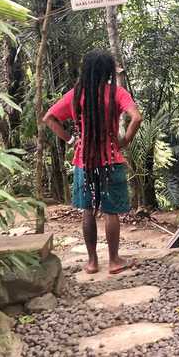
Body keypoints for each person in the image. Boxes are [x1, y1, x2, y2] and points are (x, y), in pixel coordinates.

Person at [43, 50, 142, 274]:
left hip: (83, 161)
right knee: (110, 212)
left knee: (87, 211)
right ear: (108, 71)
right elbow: (137, 117)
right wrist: (125, 139)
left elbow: (48, 117)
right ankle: (114, 261)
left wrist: (70, 139)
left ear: (86, 69)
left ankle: (92, 262)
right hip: (111, 160)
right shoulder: (116, 93)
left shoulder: (75, 95)